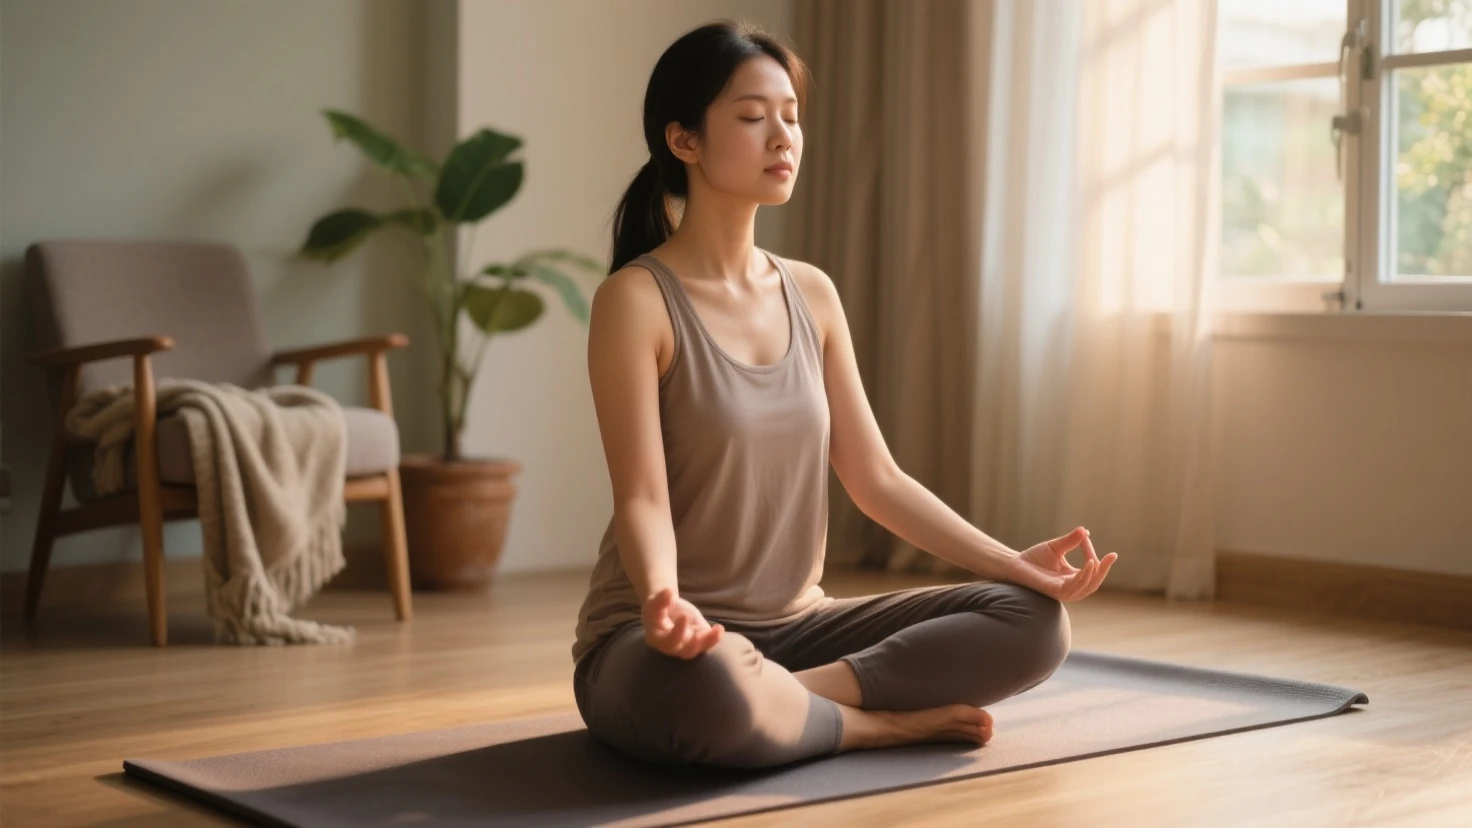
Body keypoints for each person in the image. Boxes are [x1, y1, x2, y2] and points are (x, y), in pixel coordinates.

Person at [571, 19, 1118, 769]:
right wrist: (663, 599)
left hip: (800, 630)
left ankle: (782, 702)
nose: (783, 137)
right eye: (752, 116)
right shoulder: (635, 301)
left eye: (792, 117)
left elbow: (877, 480)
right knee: (712, 686)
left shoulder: (813, 294)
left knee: (1034, 623)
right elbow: (642, 498)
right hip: (661, 644)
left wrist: (1010, 564)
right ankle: (872, 724)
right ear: (684, 140)